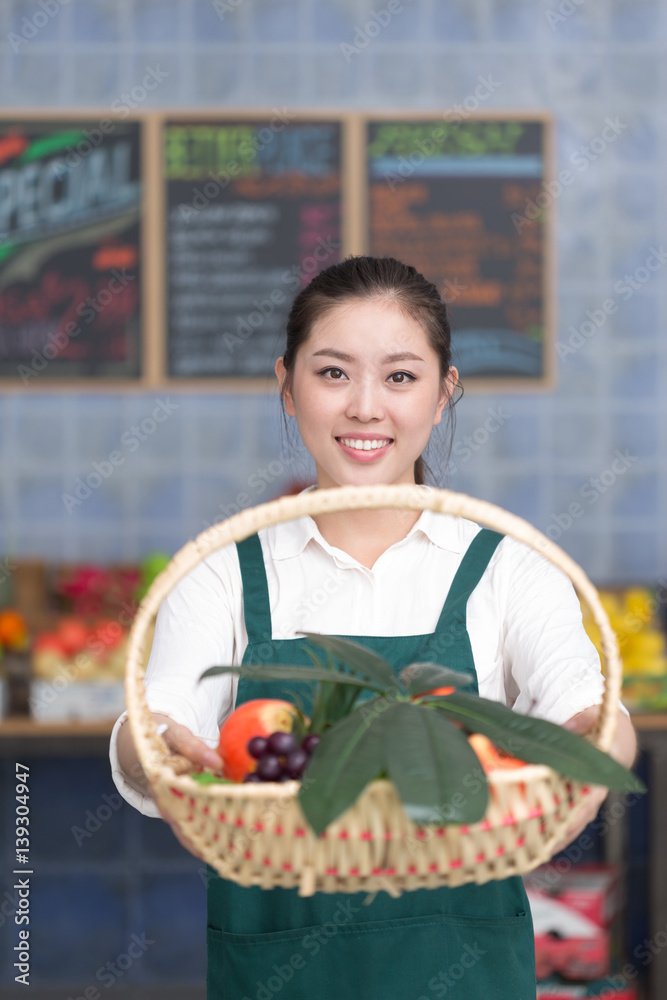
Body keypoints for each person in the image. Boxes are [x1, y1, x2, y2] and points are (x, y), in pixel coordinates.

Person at [110, 255, 637, 999]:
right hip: (279, 972)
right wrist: (150, 749)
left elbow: (592, 709)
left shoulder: (506, 566)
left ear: (443, 392)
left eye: (399, 377)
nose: (364, 407)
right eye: (331, 374)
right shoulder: (225, 571)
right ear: (287, 387)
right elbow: (152, 725)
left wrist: (592, 740)